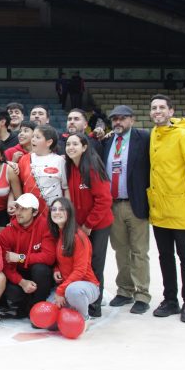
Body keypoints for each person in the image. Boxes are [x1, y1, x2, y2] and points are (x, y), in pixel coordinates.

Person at [148, 94, 185, 323]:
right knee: (165, 258)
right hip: (160, 211)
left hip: (182, 211)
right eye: (154, 108)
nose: (157, 111)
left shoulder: (184, 136)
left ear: (171, 111)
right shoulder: (154, 134)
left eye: (162, 107)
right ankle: (170, 300)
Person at [99, 105, 151, 314]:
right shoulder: (109, 141)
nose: (118, 122)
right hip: (113, 205)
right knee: (120, 250)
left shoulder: (144, 138)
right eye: (115, 119)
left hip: (135, 203)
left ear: (132, 120)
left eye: (122, 119)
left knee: (139, 251)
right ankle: (125, 290)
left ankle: (142, 293)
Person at [64, 132, 113, 317]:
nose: (71, 147)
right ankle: (82, 299)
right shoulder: (71, 168)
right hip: (80, 226)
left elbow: (104, 200)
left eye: (75, 144)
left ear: (85, 147)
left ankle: (95, 306)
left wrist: (89, 225)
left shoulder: (92, 168)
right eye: (68, 144)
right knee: (81, 263)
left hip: (98, 225)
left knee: (95, 264)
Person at [0, 193, 56, 319]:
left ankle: (37, 308)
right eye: (18, 207)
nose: (19, 212)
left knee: (41, 270)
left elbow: (49, 257)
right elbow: (5, 265)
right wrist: (22, 282)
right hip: (19, 275)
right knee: (11, 291)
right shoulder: (7, 233)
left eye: (24, 209)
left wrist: (21, 257)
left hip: (38, 274)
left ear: (34, 212)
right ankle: (25, 306)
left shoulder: (45, 226)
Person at [47, 197, 99, 328]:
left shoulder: (78, 237)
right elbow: (61, 260)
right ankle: (72, 309)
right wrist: (56, 269)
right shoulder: (59, 234)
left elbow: (80, 271)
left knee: (73, 291)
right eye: (54, 209)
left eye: (61, 209)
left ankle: (84, 318)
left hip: (85, 286)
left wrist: (60, 290)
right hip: (67, 286)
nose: (57, 212)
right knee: (50, 323)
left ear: (69, 213)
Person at [11, 124, 67, 215]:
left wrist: (66, 210)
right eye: (33, 136)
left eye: (37, 137)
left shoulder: (60, 161)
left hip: (53, 212)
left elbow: (66, 188)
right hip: (30, 212)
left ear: (49, 142)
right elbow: (16, 184)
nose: (33, 139)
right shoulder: (24, 159)